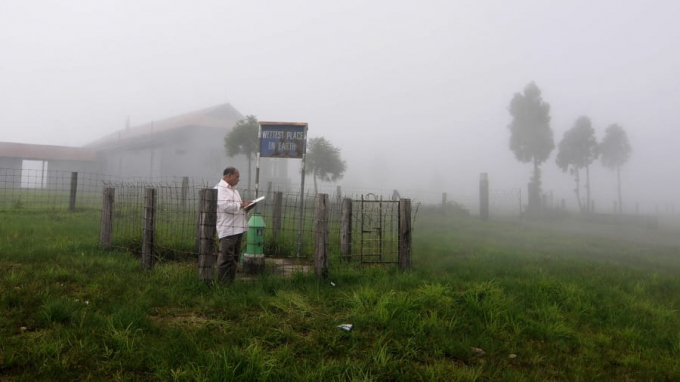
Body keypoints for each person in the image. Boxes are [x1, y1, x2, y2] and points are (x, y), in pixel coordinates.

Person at [215, 167, 252, 284]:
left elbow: (236, 205)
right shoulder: (220, 189)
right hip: (228, 229)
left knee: (234, 258)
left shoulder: (234, 190)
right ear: (229, 176)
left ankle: (230, 282)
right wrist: (241, 205)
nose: (238, 179)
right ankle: (222, 283)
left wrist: (246, 206)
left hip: (237, 228)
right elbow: (225, 206)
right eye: (237, 176)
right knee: (226, 258)